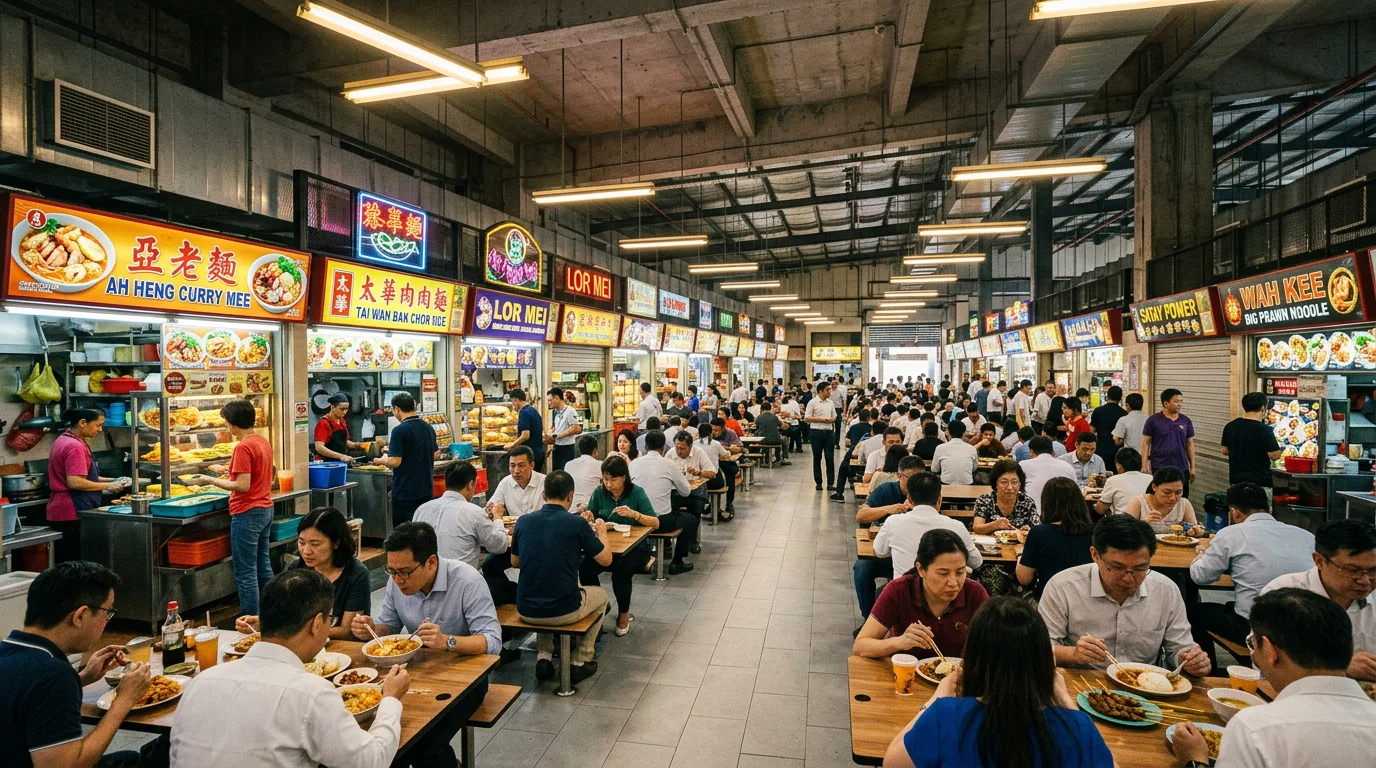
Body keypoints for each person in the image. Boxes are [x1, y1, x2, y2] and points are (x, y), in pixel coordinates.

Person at [176, 568, 409, 768]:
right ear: (317, 623)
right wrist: (391, 699)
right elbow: (372, 761)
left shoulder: (200, 683)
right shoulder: (311, 693)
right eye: (331, 619)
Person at [881, 597, 1112, 768]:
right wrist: (1065, 702)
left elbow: (892, 762)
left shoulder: (946, 715)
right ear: (1044, 661)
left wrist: (936, 698)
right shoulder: (1078, 728)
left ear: (973, 656)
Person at [1171, 589, 1376, 768]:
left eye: (1253, 644)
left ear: (1270, 650)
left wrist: (1195, 760)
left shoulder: (1256, 727)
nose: (1253, 655)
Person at [0, 561, 163, 768]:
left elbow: (25, 698)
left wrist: (83, 677)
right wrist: (125, 699)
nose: (107, 622)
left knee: (131, 758)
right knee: (159, 755)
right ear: (80, 616)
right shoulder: (53, 675)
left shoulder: (10, 652)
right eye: (108, 614)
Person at [1038, 514, 1210, 675]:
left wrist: (1189, 660)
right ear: (1095, 555)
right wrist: (1073, 654)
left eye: (1140, 568)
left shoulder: (1165, 590)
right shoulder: (1063, 587)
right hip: (1084, 681)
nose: (1128, 578)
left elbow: (1179, 648)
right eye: (1117, 568)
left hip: (1145, 684)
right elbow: (1040, 649)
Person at [1188, 482, 1315, 672]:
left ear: (1235, 512)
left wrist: (1200, 557)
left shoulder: (1230, 534)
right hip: (1304, 627)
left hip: (1253, 627)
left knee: (1193, 613)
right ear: (1269, 509)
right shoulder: (1306, 536)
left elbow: (1200, 576)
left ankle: (1207, 673)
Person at [512, 471, 611, 683]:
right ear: (570, 496)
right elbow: (606, 560)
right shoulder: (576, 523)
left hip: (525, 608)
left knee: (544, 584)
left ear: (543, 494)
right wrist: (601, 530)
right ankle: (581, 659)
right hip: (564, 610)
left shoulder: (523, 521)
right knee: (601, 596)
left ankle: (544, 656)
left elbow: (515, 562)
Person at [186, 398, 274, 615]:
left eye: (226, 421)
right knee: (263, 566)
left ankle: (249, 622)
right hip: (265, 508)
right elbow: (262, 474)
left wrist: (209, 480)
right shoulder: (261, 441)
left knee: (246, 572)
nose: (226, 425)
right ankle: (273, 613)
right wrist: (228, 470)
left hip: (247, 512)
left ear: (233, 423)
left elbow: (242, 486)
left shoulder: (243, 447)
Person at [1262, 519, 1376, 681]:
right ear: (1319, 561)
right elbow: (1265, 659)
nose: (1365, 580)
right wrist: (1337, 667)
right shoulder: (1284, 595)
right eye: (1353, 570)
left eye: (1373, 570)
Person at [235, 507, 371, 640]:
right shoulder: (297, 569)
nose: (306, 551)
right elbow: (284, 614)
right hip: (300, 647)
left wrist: (300, 633)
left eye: (315, 544)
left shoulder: (356, 574)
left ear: (336, 543)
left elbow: (348, 630)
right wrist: (264, 624)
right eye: (301, 542)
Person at [854, 528, 989, 659]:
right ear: (921, 569)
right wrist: (899, 641)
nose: (953, 582)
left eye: (960, 572)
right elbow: (860, 646)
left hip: (957, 678)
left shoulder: (974, 593)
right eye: (943, 573)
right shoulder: (900, 590)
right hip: (906, 676)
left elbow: (994, 646)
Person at [582, 455, 658, 633]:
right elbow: (591, 512)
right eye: (605, 479)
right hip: (607, 546)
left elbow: (655, 523)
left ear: (624, 477)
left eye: (613, 479)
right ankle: (599, 604)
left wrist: (635, 515)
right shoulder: (599, 493)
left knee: (621, 571)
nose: (608, 484)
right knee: (584, 568)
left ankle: (623, 613)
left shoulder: (636, 492)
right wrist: (588, 515)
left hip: (635, 547)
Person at [46, 408, 129, 562]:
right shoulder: (74, 446)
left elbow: (89, 476)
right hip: (71, 512)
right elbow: (75, 482)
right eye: (98, 425)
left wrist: (114, 480)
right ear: (83, 422)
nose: (100, 429)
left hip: (65, 511)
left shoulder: (67, 440)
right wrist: (108, 487)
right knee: (76, 564)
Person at [874, 473, 983, 575]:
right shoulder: (956, 526)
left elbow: (879, 552)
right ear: (940, 499)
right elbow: (976, 562)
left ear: (909, 500)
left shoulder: (893, 522)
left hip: (904, 592)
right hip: (944, 592)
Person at [414, 463, 508, 573]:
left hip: (425, 580)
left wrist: (483, 516)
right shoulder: (473, 512)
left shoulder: (422, 509)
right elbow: (500, 546)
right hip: (461, 582)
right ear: (470, 485)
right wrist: (497, 518)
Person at [629, 432, 699, 574]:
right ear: (663, 448)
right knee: (690, 520)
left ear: (646, 446)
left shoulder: (633, 464)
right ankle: (677, 562)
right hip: (661, 522)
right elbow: (686, 491)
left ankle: (643, 558)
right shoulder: (669, 464)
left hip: (637, 519)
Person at [1017, 478, 1096, 600]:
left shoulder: (1039, 533)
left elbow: (1024, 578)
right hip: (1085, 601)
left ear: (1047, 503)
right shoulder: (1094, 532)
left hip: (1048, 602)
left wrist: (1020, 558)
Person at [369, 393, 436, 526]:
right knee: (422, 528)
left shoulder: (399, 430)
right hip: (426, 489)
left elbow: (395, 461)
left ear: (397, 409)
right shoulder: (428, 427)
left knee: (405, 532)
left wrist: (380, 460)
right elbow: (437, 452)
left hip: (406, 491)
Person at [1221, 392, 1283, 501]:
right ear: (1263, 409)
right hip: (1259, 484)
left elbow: (1225, 451)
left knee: (1239, 514)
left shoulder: (1230, 426)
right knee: (1260, 515)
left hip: (1236, 482)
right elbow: (1274, 455)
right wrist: (1282, 449)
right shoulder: (1264, 429)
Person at [1141, 388, 1195, 495]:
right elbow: (1146, 442)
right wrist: (1144, 464)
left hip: (1181, 467)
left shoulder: (1186, 421)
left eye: (1181, 401)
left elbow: (1189, 444)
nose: (1179, 404)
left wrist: (1192, 467)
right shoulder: (1153, 420)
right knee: (1161, 496)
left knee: (1181, 497)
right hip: (1160, 466)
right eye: (1176, 401)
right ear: (1166, 403)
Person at [1125, 467, 1205, 535]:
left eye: (1178, 492)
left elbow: (1195, 529)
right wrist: (1143, 524)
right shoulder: (1138, 502)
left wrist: (1196, 532)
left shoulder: (1184, 504)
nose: (1173, 498)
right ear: (1154, 487)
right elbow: (1123, 531)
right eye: (1167, 492)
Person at [972, 460, 1038, 535]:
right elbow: (977, 528)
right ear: (996, 484)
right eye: (1004, 482)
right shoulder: (985, 500)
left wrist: (1029, 530)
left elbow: (1038, 528)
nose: (1010, 487)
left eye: (1014, 482)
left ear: (1020, 484)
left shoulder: (1027, 502)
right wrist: (994, 525)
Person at [1020, 437, 1077, 516]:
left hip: (1033, 516)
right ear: (1053, 453)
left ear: (1031, 452)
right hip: (1065, 518)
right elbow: (1077, 496)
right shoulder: (1068, 467)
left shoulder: (1023, 465)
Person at [1095, 447, 1151, 516]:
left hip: (1122, 523)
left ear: (1119, 466)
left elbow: (1101, 510)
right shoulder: (1151, 479)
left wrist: (1095, 505)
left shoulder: (1113, 480)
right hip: (1148, 522)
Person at [808, 381, 839, 494]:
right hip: (816, 432)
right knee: (817, 458)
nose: (829, 392)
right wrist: (822, 419)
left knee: (829, 458)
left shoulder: (830, 403)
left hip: (829, 432)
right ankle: (819, 482)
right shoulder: (812, 402)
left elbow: (834, 415)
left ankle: (830, 483)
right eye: (827, 390)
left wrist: (832, 419)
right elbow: (807, 418)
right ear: (820, 391)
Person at [312, 393, 360, 463]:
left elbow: (344, 441)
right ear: (332, 407)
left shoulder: (342, 421)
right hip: (325, 463)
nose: (344, 412)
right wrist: (341, 456)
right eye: (341, 409)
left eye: (346, 409)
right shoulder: (323, 423)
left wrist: (358, 445)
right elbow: (319, 447)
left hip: (339, 462)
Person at [711, 417, 744, 517]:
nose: (714, 432)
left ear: (723, 428)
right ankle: (710, 504)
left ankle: (729, 503)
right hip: (711, 462)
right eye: (712, 430)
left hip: (726, 462)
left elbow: (739, 448)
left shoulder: (730, 433)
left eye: (717, 430)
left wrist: (725, 448)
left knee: (730, 472)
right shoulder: (707, 433)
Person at [545, 387, 582, 471]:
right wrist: (549, 433)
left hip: (567, 448)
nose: (549, 403)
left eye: (550, 400)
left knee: (565, 473)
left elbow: (576, 428)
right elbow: (554, 427)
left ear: (557, 398)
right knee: (556, 472)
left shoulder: (570, 411)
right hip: (557, 447)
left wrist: (558, 436)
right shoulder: (555, 412)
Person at [930, 420, 978, 485]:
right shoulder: (972, 448)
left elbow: (934, 469)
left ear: (948, 432)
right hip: (967, 485)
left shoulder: (940, 448)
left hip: (946, 484)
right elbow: (974, 468)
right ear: (964, 433)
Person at [565, 434, 604, 510]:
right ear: (595, 451)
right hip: (591, 508)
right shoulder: (600, 465)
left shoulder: (568, 465)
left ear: (579, 450)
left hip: (571, 507)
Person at [1089, 385, 1125, 468]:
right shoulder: (1123, 413)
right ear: (1120, 398)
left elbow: (1091, 431)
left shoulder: (1098, 411)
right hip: (1117, 450)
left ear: (1107, 396)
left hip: (1101, 447)